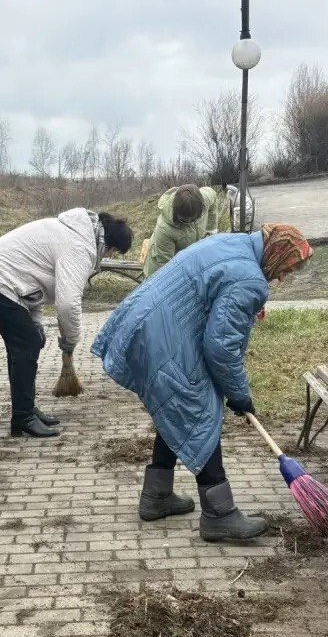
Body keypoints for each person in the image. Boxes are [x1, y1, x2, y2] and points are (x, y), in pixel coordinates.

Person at [93, 224, 314, 542]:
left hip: (141, 323)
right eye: (286, 268)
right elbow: (221, 347)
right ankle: (220, 515)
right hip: (162, 339)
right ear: (277, 253)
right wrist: (240, 395)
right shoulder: (250, 280)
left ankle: (157, 496)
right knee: (201, 411)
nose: (282, 276)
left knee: (177, 407)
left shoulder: (233, 243)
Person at [0, 208, 133, 438]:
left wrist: (35, 323)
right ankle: (23, 417)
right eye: (113, 253)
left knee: (25, 343)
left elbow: (31, 286)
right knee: (26, 344)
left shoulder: (75, 233)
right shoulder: (79, 247)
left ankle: (25, 409)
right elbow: (67, 304)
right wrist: (70, 340)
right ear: (109, 245)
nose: (110, 258)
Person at [142, 183, 226, 278]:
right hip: (161, 264)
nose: (191, 223)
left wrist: (211, 230)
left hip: (189, 256)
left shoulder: (205, 198)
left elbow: (213, 197)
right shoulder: (164, 229)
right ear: (177, 213)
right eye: (186, 221)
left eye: (195, 219)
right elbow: (166, 267)